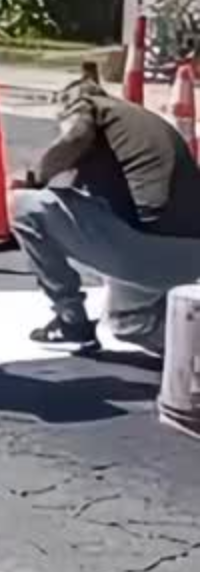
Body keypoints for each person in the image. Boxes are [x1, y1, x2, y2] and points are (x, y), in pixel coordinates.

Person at [11, 68, 200, 356]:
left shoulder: (90, 108)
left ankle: (70, 319)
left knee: (26, 206)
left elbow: (74, 138)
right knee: (128, 324)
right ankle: (192, 353)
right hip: (188, 258)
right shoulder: (134, 124)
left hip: (145, 253)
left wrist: (35, 177)